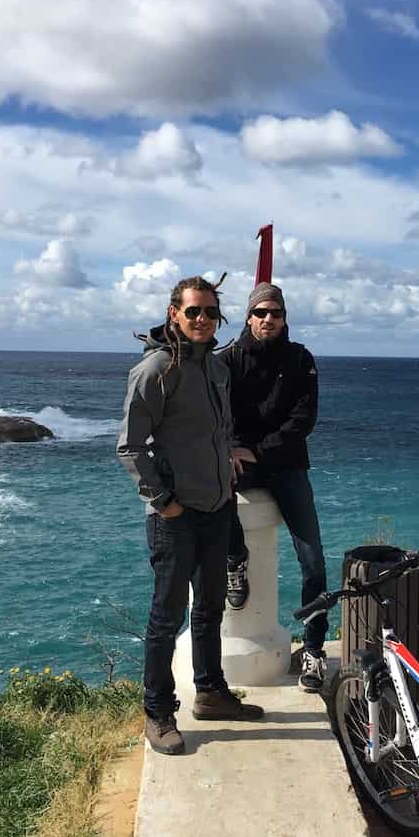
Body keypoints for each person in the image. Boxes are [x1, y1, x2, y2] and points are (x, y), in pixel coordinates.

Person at [117, 274, 263, 756]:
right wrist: (164, 502)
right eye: (192, 311)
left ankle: (211, 692)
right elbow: (130, 446)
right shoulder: (157, 370)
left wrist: (230, 452)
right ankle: (158, 713)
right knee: (167, 616)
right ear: (173, 314)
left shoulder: (216, 368)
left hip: (217, 507)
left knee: (210, 608)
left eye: (209, 312)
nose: (202, 319)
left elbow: (213, 430)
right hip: (176, 517)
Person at [222, 282, 329, 693]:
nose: (269, 319)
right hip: (240, 461)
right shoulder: (228, 359)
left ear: (285, 318)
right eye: (261, 312)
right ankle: (236, 562)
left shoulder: (300, 359)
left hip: (284, 465)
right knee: (213, 496)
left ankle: (314, 652)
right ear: (249, 316)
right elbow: (216, 412)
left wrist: (257, 452)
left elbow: (304, 420)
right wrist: (231, 448)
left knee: (313, 560)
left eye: (276, 313)